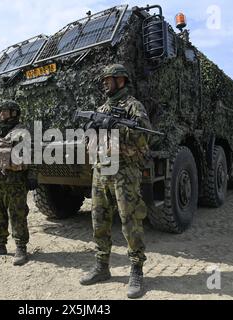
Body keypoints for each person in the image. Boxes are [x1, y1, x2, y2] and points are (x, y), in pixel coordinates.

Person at [79, 64, 152, 299]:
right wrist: (92, 126)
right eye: (104, 80)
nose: (105, 83)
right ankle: (102, 266)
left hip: (125, 172)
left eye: (108, 79)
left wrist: (117, 127)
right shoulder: (102, 108)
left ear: (121, 80)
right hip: (101, 170)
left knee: (130, 221)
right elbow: (89, 137)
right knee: (99, 220)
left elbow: (144, 133)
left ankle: (136, 270)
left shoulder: (133, 105)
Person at [0, 100, 30, 266]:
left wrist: (33, 177)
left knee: (17, 214)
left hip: (15, 182)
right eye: (0, 111)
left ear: (14, 113)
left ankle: (21, 248)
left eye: (5, 111)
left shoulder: (21, 132)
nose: (1, 114)